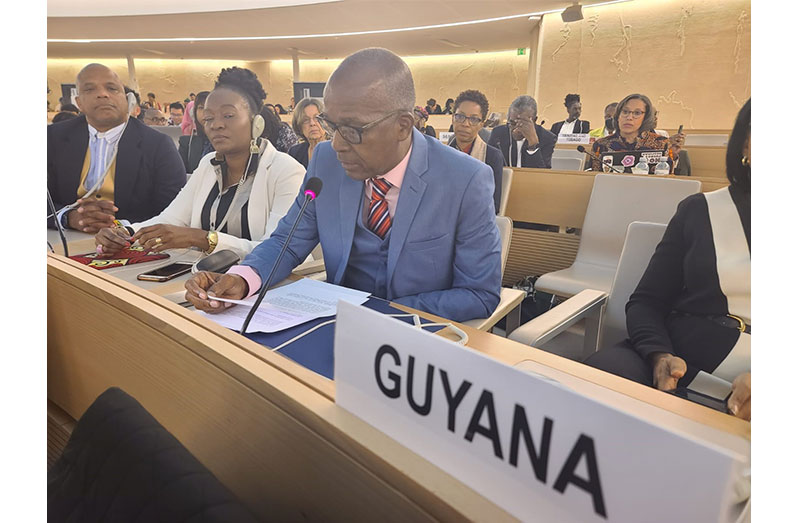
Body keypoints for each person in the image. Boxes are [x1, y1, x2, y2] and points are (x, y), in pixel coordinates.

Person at [185, 47, 502, 323]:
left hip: (415, 345)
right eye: (331, 125)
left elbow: (479, 293)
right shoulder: (325, 160)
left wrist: (381, 314)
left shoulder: (465, 179)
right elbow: (288, 240)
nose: (335, 143)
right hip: (330, 326)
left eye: (351, 129)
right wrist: (243, 279)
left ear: (402, 126)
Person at [584, 99, 751, 421]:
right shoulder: (701, 211)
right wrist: (659, 354)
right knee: (597, 381)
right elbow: (647, 301)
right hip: (677, 350)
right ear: (745, 141)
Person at [94, 67, 305, 260]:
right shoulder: (208, 165)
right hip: (201, 280)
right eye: (208, 118)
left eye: (228, 115)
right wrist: (125, 232)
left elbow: (277, 249)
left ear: (256, 122)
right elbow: (171, 218)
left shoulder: (286, 171)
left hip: (265, 287)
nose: (216, 125)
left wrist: (202, 239)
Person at [47, 63, 186, 231]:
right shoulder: (52, 138)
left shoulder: (158, 145)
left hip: (135, 241)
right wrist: (68, 218)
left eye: (112, 89)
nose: (103, 95)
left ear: (128, 99)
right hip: (62, 238)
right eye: (90, 90)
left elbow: (174, 209)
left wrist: (120, 226)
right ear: (78, 103)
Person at [448, 89, 504, 214]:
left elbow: (494, 206)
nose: (465, 124)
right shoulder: (442, 154)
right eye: (460, 116)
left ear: (481, 125)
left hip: (475, 224)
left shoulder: (492, 156)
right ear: (452, 118)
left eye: (473, 119)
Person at [589, 93, 670, 172]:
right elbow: (593, 177)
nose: (629, 117)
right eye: (625, 111)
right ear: (618, 116)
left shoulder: (661, 143)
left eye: (637, 113)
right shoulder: (601, 145)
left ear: (645, 118)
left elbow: (667, 178)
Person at [488, 95, 556, 169]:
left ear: (534, 120)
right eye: (512, 123)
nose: (517, 129)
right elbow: (489, 166)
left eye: (523, 124)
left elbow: (542, 175)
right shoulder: (498, 133)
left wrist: (533, 145)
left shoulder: (548, 138)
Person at [288, 97, 329, 168]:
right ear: (299, 126)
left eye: (317, 118)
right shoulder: (295, 153)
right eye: (305, 120)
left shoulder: (338, 151)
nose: (312, 123)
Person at [178, 91, 212, 174]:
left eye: (209, 107)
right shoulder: (187, 144)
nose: (205, 112)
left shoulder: (227, 141)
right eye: (201, 107)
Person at [651, 110, 691, 175]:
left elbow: (670, 158)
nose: (656, 118)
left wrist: (673, 154)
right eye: (651, 116)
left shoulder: (663, 134)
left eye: (655, 115)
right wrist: (667, 143)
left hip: (664, 171)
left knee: (683, 154)